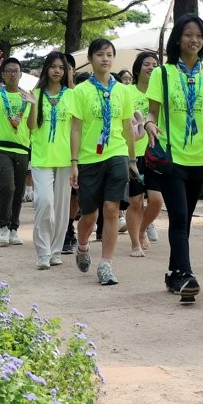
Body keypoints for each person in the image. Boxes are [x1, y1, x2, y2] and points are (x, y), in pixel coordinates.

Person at [144, 15, 203, 301]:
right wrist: (149, 124)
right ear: (178, 39)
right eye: (189, 35)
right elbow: (152, 111)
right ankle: (187, 276)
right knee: (178, 216)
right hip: (171, 156)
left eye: (200, 36)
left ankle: (172, 272)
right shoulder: (162, 73)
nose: (195, 40)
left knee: (185, 219)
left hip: (200, 157)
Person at [69, 38, 137, 285]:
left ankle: (106, 264)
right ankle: (83, 245)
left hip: (116, 154)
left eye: (109, 54)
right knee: (89, 213)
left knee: (111, 208)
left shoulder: (123, 91)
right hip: (89, 158)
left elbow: (128, 126)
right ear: (90, 59)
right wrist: (74, 162)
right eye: (100, 54)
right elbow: (75, 128)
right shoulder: (81, 91)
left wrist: (131, 159)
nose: (105, 59)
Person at [0, 53, 34, 246]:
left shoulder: (27, 96)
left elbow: (33, 125)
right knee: (7, 187)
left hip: (22, 149)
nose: (12, 74)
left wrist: (33, 106)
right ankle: (3, 227)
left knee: (18, 191)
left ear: (21, 74)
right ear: (3, 73)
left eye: (16, 71)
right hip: (1, 149)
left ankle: (13, 229)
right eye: (9, 71)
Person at [28, 51, 75, 269]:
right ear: (47, 69)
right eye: (53, 66)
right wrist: (33, 104)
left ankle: (56, 250)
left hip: (65, 158)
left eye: (61, 67)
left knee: (62, 206)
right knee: (45, 202)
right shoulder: (36, 93)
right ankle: (42, 252)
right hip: (41, 156)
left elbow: (76, 129)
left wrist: (76, 161)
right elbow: (31, 126)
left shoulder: (72, 95)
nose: (57, 71)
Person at [129, 51, 162, 253]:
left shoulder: (160, 94)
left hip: (155, 154)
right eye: (147, 64)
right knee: (135, 201)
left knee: (157, 200)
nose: (151, 67)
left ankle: (142, 229)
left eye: (154, 65)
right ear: (137, 68)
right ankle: (135, 242)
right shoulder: (127, 92)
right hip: (134, 154)